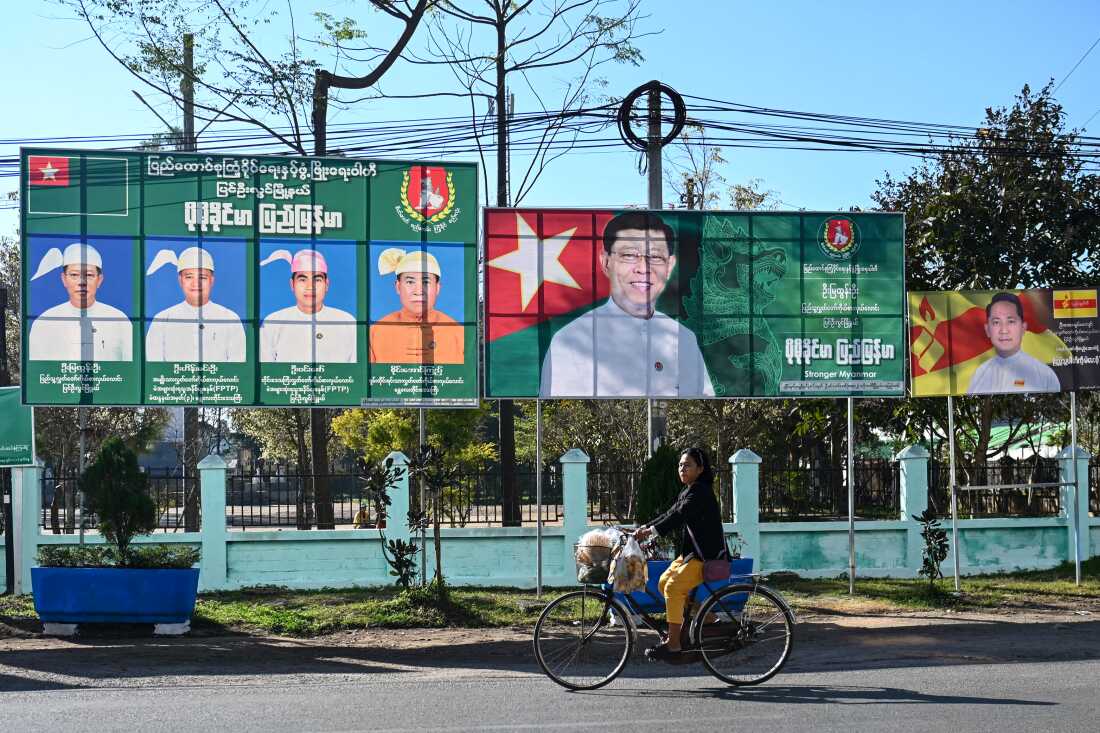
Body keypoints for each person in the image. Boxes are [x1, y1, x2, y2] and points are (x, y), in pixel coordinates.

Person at [539, 212, 714, 397]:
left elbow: (704, 400)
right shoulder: (569, 341)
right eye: (629, 255)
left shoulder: (684, 338)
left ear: (669, 266)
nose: (643, 269)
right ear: (606, 262)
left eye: (655, 257)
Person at [634, 446, 726, 663]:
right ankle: (709, 618)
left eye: (688, 465)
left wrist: (651, 531)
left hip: (705, 555)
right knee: (663, 583)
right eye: (680, 465)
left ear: (701, 469)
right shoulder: (689, 490)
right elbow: (671, 512)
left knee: (674, 588)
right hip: (691, 554)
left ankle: (673, 644)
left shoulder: (700, 491)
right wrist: (646, 528)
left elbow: (681, 515)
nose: (682, 469)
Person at [28, 242, 133, 361]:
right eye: (74, 275)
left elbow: (130, 368)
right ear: (64, 279)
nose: (81, 282)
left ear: (99, 280)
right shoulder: (44, 322)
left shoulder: (119, 320)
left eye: (89, 275)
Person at [146, 246, 246, 362]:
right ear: (180, 280)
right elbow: (154, 368)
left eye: (202, 277)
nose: (196, 283)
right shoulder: (162, 320)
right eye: (189, 277)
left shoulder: (230, 319)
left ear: (212, 280)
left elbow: (238, 368)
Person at [259, 249, 357, 363]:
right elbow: (265, 373)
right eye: (302, 279)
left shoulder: (348, 322)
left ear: (327, 285)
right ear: (292, 284)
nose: (310, 287)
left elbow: (356, 373)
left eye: (317, 279)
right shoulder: (273, 322)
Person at [369, 248, 464, 364]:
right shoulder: (376, 332)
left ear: (437, 288)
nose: (418, 291)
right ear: (398, 287)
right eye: (410, 282)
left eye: (426, 282)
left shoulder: (458, 334)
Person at [967, 292, 1060, 394]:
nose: (1004, 330)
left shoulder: (1045, 375)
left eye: (1011, 321)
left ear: (1023, 328)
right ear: (988, 330)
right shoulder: (980, 375)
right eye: (996, 322)